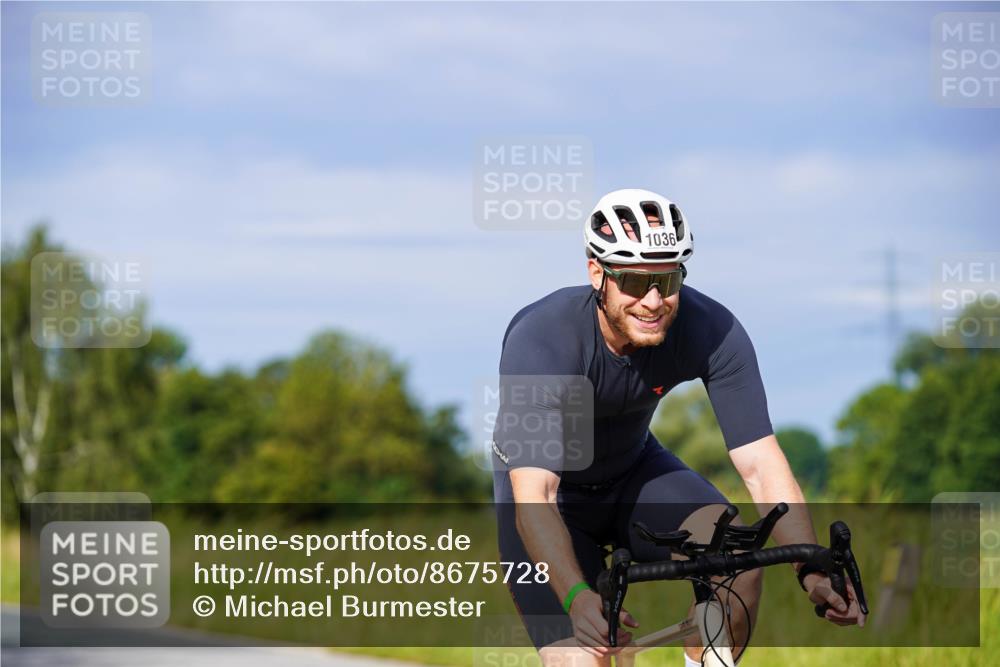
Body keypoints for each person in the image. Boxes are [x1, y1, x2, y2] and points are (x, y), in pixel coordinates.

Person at [491, 189, 865, 667]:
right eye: (633, 280)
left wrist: (811, 567)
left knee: (737, 563)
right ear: (596, 274)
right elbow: (535, 498)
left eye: (667, 280)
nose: (653, 301)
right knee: (582, 660)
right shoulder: (542, 341)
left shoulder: (712, 328)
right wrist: (576, 597)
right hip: (550, 499)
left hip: (634, 475)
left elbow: (760, 464)